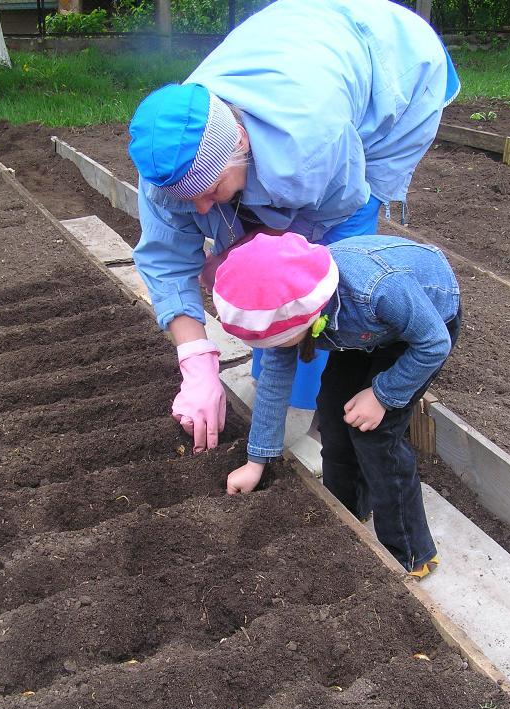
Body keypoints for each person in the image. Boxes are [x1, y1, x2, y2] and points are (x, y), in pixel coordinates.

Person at [127, 0, 461, 454]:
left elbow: (321, 241)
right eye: (190, 199)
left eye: (211, 190)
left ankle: (314, 411)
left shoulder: (309, 146)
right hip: (303, 42)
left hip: (398, 70)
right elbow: (166, 261)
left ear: (240, 143)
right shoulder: (166, 159)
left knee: (324, 277)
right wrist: (196, 362)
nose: (200, 208)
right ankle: (277, 387)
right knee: (263, 265)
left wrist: (245, 255)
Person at [212, 232, 461, 577]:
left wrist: (381, 395)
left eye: (281, 340)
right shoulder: (292, 304)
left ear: (304, 316)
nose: (278, 347)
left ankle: (410, 552)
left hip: (420, 331)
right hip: (360, 335)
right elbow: (273, 382)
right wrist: (256, 461)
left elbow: (434, 344)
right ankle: (346, 514)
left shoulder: (378, 290)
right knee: (332, 412)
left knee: (375, 436)